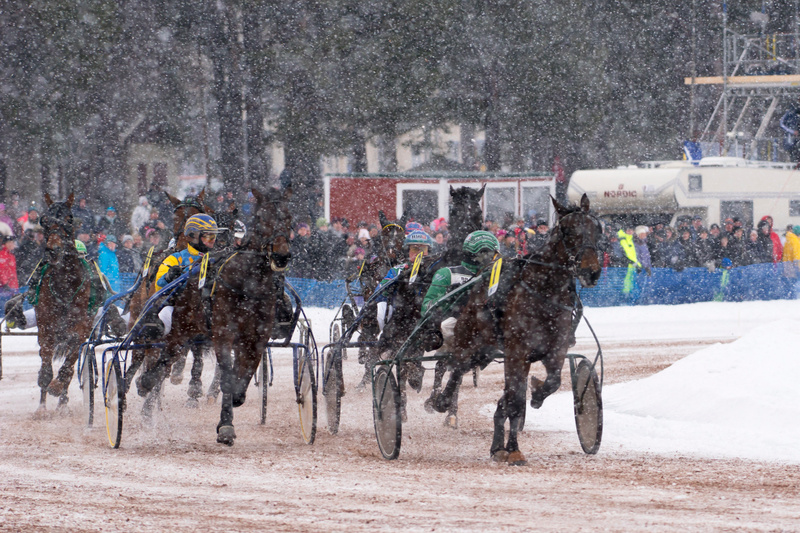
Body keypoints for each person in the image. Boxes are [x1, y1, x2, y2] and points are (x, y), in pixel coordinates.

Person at [141, 214, 222, 338]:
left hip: (208, 305)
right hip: (178, 305)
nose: (213, 240)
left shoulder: (217, 259)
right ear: (193, 237)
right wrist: (169, 276)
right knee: (163, 316)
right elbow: (159, 286)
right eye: (208, 236)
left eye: (214, 236)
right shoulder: (176, 258)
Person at [421, 230, 500, 356]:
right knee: (447, 326)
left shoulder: (495, 277)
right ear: (474, 254)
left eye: (493, 255)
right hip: (452, 322)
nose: (490, 259)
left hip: (482, 324)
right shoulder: (447, 273)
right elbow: (430, 304)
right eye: (486, 254)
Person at [780, 96, 800, 165]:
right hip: (791, 137)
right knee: (792, 151)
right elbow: (781, 123)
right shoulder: (790, 112)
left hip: (796, 137)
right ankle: (793, 163)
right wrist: (792, 131)